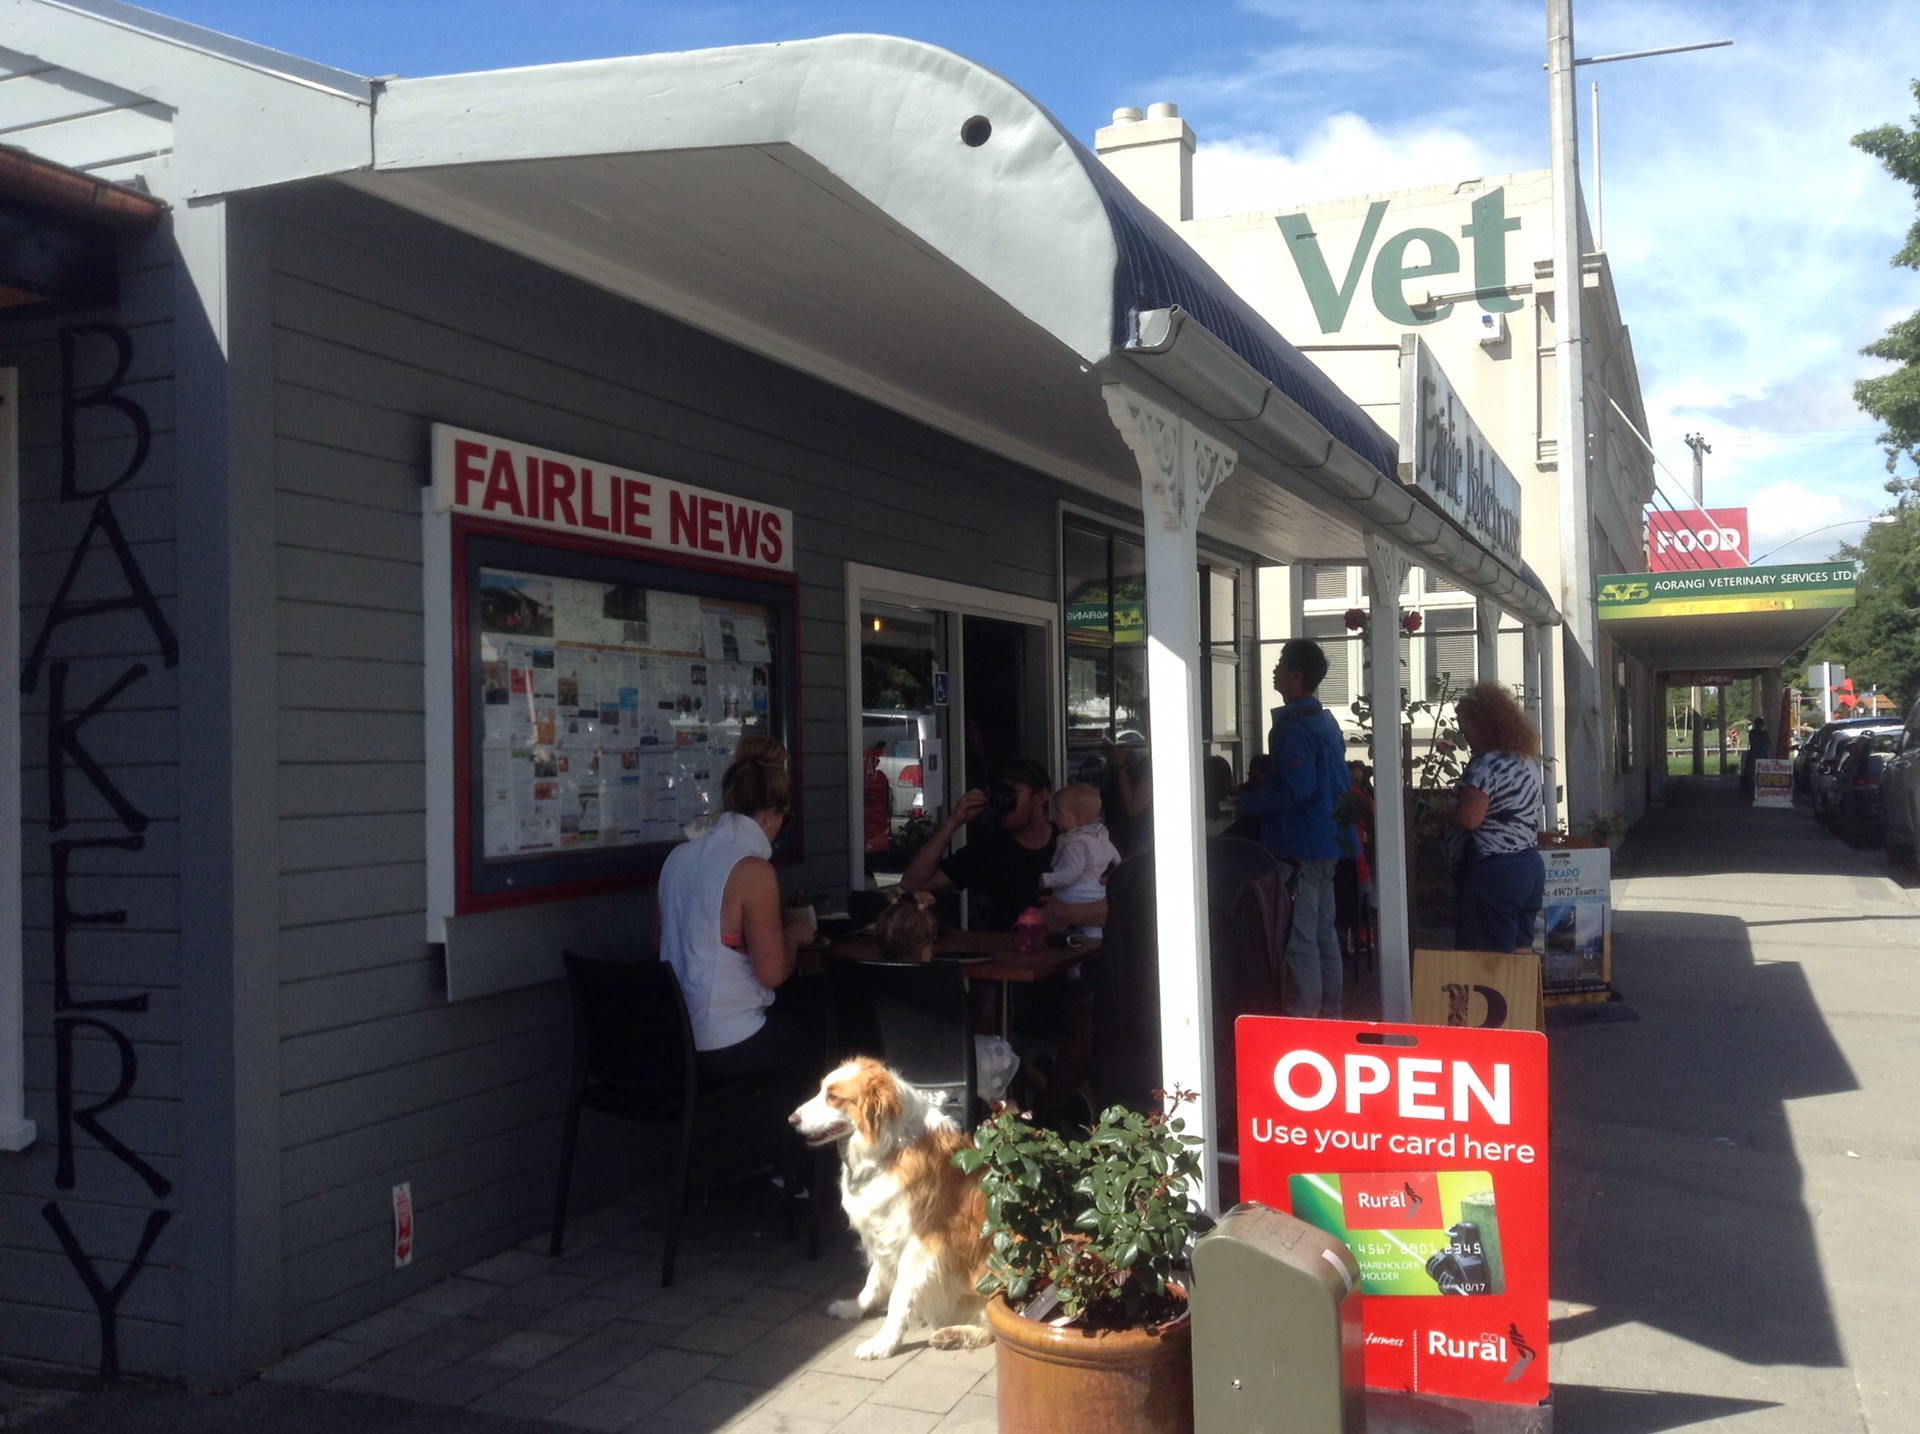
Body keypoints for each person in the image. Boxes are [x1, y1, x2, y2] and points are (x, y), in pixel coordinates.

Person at [657, 735, 815, 1087]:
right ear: (772, 814)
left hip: (673, 1041)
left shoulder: (677, 859)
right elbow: (771, 973)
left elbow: (664, 941)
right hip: (725, 1041)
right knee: (821, 1037)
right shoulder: (752, 870)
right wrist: (795, 933)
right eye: (784, 820)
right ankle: (785, 1140)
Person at [1234, 639, 1351, 1017]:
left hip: (1297, 843)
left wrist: (1242, 802)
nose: (1274, 669)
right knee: (1323, 934)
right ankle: (1330, 1016)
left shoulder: (1292, 727)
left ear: (1296, 675)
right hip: (1331, 840)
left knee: (1300, 939)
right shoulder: (1326, 721)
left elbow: (1296, 790)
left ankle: (1305, 1023)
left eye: (1281, 663)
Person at [869, 891, 1020, 1104]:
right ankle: (1000, 1123)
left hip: (883, 1068)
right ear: (924, 949)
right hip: (938, 1073)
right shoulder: (936, 980)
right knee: (997, 1052)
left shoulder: (868, 979)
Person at [899, 757, 1056, 930]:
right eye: (999, 792)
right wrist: (954, 822)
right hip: (1006, 953)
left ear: (1041, 796)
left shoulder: (1071, 843)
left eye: (1011, 792)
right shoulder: (989, 849)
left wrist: (1072, 912)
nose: (1004, 800)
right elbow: (912, 884)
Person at [1448, 682, 1547, 954]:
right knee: (1520, 951)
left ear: (1481, 722)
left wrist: (1447, 811)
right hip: (1528, 865)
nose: (1462, 730)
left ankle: (1499, 1000)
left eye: (1464, 722)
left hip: (1493, 871)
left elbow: (1470, 818)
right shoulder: (1524, 761)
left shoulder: (1485, 766)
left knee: (1486, 962)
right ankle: (1524, 998)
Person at [1041, 783, 1118, 937]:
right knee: (1094, 931)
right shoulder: (1100, 836)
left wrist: (1046, 879)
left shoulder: (1075, 842)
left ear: (1079, 818)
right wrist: (1114, 876)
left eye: (1059, 812)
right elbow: (1117, 858)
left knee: (1051, 913)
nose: (1054, 817)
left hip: (1077, 891)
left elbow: (1072, 873)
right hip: (1095, 889)